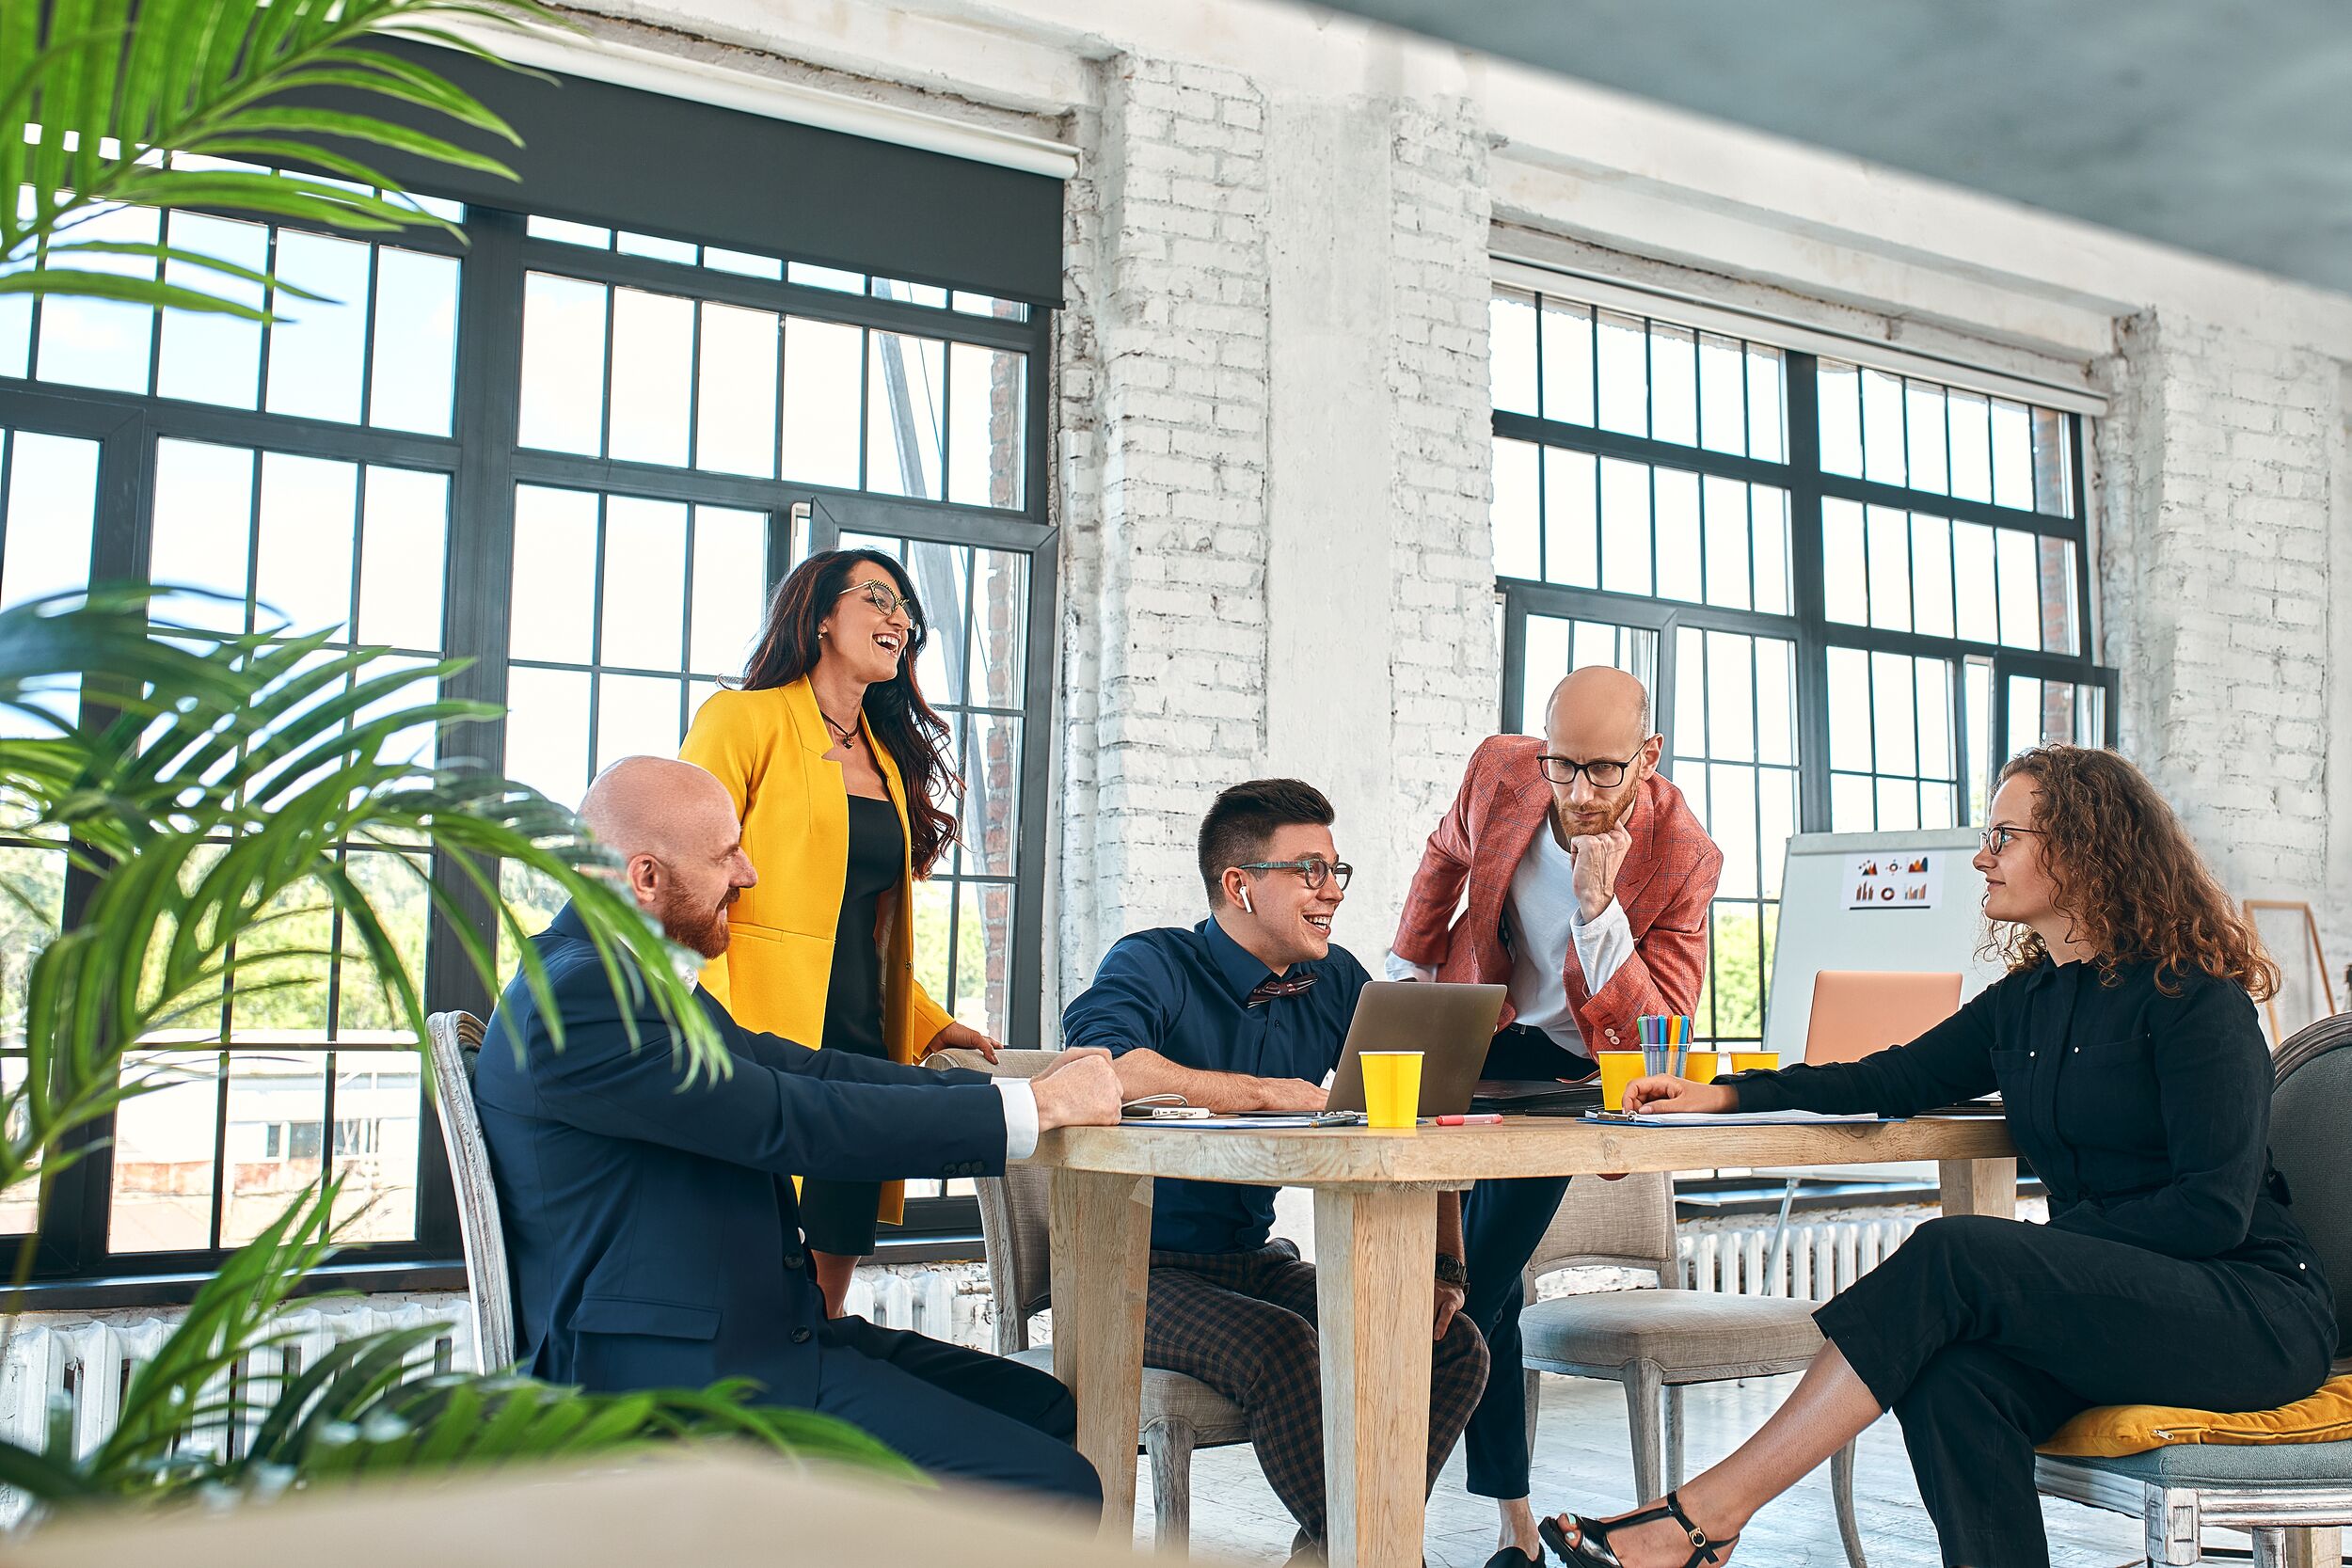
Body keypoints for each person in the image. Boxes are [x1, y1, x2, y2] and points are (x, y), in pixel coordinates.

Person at [1541, 745, 2338, 1568]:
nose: (1982, 857)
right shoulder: (2027, 1004)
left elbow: (2212, 1211)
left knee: (1957, 1251)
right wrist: (1730, 1092)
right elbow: (1890, 1073)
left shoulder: (2196, 999)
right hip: (2123, 1301)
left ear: (2083, 847)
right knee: (1954, 1381)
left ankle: (1703, 1518)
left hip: (2249, 1309)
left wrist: (2038, 1253)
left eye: (2004, 835)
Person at [476, 755, 1123, 1507]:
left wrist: (1018, 1092)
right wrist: (1036, 1114)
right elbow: (788, 1119)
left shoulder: (623, 979)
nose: (747, 874)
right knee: (1055, 1489)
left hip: (750, 1338)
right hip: (679, 1384)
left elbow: (805, 1074)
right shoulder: (585, 996)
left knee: (1046, 1410)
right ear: (645, 877)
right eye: (725, 855)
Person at [1063, 778, 1491, 1559]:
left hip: (1252, 1262)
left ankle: (1336, 1547)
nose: (1331, 893)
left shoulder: (1337, 981)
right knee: (1286, 1346)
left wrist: (1443, 1266)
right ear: (1239, 884)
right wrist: (1260, 1093)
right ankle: (1375, 1548)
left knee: (1454, 1344)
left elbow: (1423, 1119)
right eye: (1309, 872)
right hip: (1133, 1271)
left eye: (1336, 871)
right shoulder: (1154, 961)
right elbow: (1106, 1065)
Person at [1390, 665, 1722, 1568]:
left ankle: (1386, 1517)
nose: (1576, 792)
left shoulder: (1685, 855)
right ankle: (1511, 1529)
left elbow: (1661, 1034)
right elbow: (1445, 855)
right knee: (1448, 1278)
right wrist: (1408, 971)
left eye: (1604, 771)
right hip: (1475, 1028)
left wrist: (1598, 911)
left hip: (1577, 1066)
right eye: (1562, 766)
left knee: (1475, 1286)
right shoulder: (1502, 771)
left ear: (1648, 757)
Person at [681, 548, 999, 1317]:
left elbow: (870, 934)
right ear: (822, 613)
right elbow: (690, 874)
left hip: (860, 1047)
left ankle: (814, 1422)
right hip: (761, 1041)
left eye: (908, 612)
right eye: (880, 599)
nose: (901, 619)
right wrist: (714, 1028)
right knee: (746, 1265)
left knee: (824, 1294)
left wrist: (931, 1023)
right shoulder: (743, 719)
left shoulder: (888, 762)